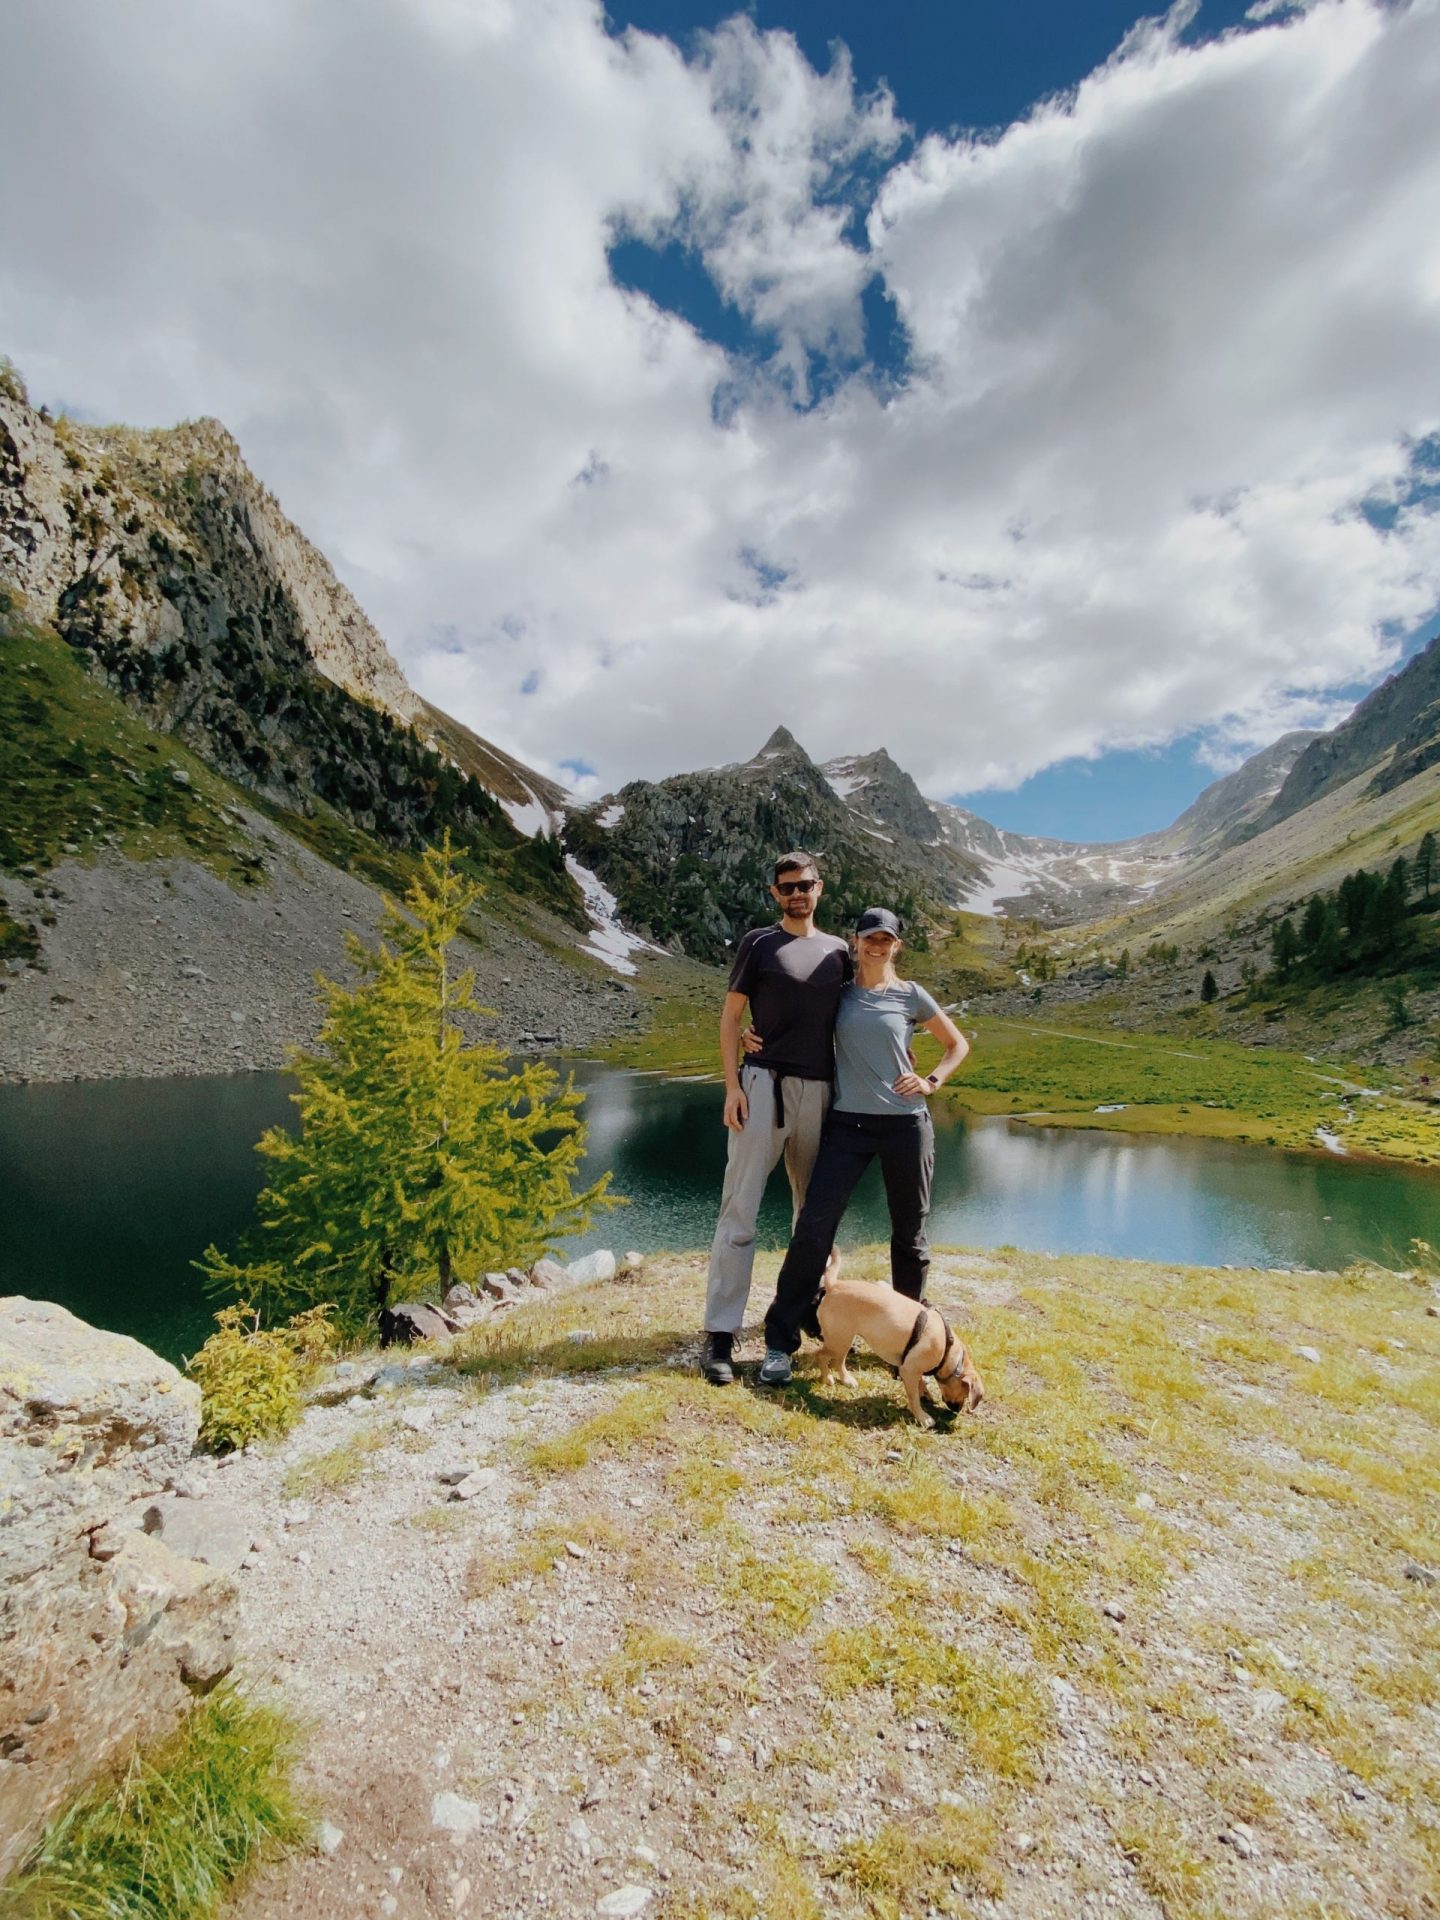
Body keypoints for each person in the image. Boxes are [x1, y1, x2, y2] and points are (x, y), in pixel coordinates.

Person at [757, 906, 970, 1385]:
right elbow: (793, 1016)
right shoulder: (839, 992)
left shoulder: (911, 995)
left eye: (885, 939)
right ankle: (779, 1342)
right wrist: (753, 1033)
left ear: (896, 946)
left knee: (910, 1236)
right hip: (848, 1124)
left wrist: (931, 1080)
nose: (876, 946)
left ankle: (909, 1342)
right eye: (869, 937)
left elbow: (956, 1045)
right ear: (855, 942)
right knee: (813, 1229)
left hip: (907, 1125)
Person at [700, 851, 852, 1386]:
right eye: (786, 887)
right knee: (740, 1209)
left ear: (819, 888)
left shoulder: (840, 952)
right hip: (762, 1085)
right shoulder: (759, 944)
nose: (796, 894)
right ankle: (720, 1333)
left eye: (804, 885)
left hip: (821, 1091)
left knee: (813, 1216)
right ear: (774, 893)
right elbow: (730, 1017)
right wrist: (732, 1086)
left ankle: (807, 1307)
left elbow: (855, 1017)